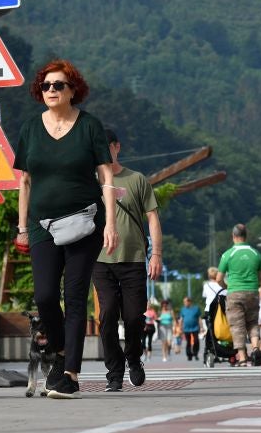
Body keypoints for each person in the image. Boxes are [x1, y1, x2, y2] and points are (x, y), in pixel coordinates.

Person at [14, 59, 118, 399]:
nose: (51, 90)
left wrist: (111, 223)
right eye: (46, 85)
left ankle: (70, 374)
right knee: (45, 296)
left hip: (84, 221)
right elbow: (25, 180)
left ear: (73, 90)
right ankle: (60, 352)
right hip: (41, 225)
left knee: (74, 297)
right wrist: (21, 227)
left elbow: (106, 176)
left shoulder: (89, 126)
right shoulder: (31, 128)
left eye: (59, 85)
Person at [92, 127, 163, 391]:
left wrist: (156, 254)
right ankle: (114, 372)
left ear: (117, 147)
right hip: (100, 259)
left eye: (107, 147)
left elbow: (152, 218)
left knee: (134, 317)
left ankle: (133, 357)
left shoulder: (136, 179)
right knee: (108, 314)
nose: (103, 152)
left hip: (133, 259)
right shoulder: (90, 182)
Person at [216, 223, 261, 366]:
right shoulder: (256, 254)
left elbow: (218, 279)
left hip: (235, 293)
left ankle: (242, 358)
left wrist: (227, 287)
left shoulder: (228, 254)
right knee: (252, 322)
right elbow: (260, 279)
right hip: (252, 291)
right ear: (246, 236)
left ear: (233, 236)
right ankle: (255, 348)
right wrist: (255, 286)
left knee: (237, 325)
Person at [179, 296, 201, 361]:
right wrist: (180, 327)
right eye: (184, 302)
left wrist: (201, 327)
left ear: (189, 302)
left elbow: (199, 318)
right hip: (186, 329)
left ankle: (195, 353)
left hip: (195, 328)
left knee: (196, 341)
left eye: (185, 302)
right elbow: (181, 319)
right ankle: (189, 355)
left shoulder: (196, 309)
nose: (184, 303)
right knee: (188, 342)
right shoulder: (183, 309)